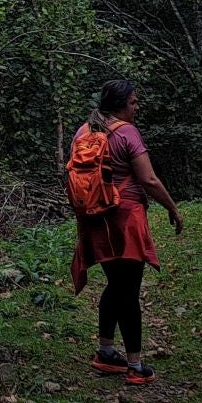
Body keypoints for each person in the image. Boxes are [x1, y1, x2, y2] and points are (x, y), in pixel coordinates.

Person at [69, 80, 183, 386]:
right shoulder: (126, 131)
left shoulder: (84, 131)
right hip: (124, 219)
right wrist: (172, 208)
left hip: (94, 218)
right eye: (134, 102)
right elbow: (149, 180)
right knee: (129, 290)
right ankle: (135, 365)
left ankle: (105, 352)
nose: (137, 107)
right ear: (120, 105)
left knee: (114, 283)